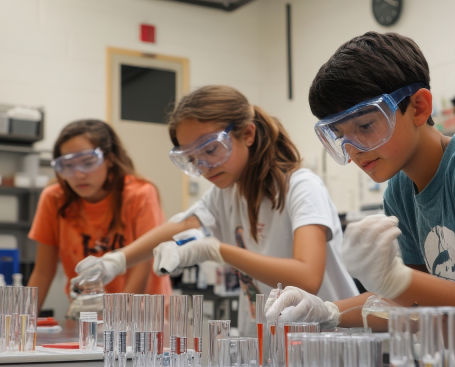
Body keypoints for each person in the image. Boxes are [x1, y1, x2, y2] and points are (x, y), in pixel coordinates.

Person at [266, 32, 455, 346]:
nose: (354, 149)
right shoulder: (400, 190)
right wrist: (328, 311)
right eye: (341, 136)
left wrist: (398, 280)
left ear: (419, 108)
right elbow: (410, 304)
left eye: (365, 126)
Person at [72, 85, 358, 334]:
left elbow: (307, 278)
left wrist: (217, 250)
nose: (205, 167)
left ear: (247, 134)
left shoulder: (301, 186)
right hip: (270, 346)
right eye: (192, 159)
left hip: (331, 344)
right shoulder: (225, 193)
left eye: (210, 150)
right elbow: (180, 227)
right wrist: (115, 261)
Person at [28, 120, 170, 310]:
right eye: (67, 165)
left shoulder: (140, 193)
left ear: (109, 159)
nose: (78, 174)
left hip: (145, 313)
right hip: (89, 313)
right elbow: (43, 271)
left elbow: (142, 265)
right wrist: (22, 321)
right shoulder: (54, 198)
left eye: (88, 163)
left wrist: (118, 319)